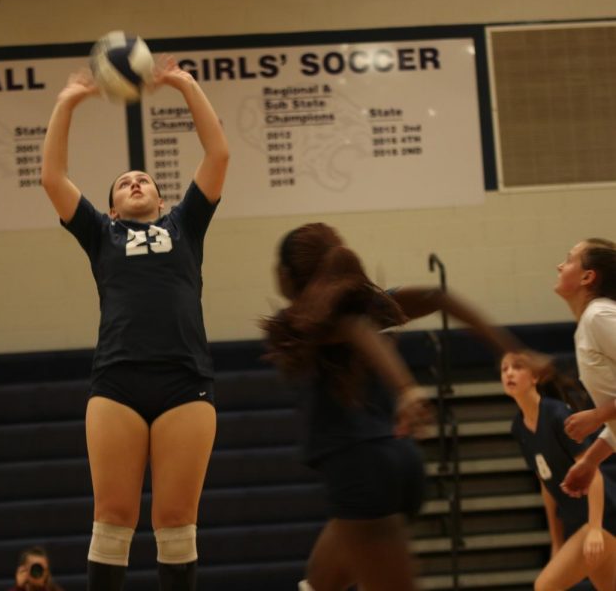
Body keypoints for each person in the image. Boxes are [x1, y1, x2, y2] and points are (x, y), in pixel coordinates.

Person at [40, 55, 229, 591]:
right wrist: (67, 102)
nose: (136, 181)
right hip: (117, 382)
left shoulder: (186, 225)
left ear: (163, 200)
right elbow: (52, 177)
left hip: (184, 381)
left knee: (175, 522)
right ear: (115, 210)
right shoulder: (103, 234)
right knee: (113, 519)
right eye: (125, 182)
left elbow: (218, 152)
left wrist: (186, 84)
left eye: (144, 178)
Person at [261, 223, 533, 591]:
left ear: (284, 276)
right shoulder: (376, 305)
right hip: (396, 463)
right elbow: (439, 297)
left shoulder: (304, 322)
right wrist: (511, 348)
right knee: (317, 584)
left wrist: (406, 389)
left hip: (359, 469)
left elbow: (358, 332)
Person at [501, 351, 616, 589]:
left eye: (517, 367)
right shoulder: (518, 428)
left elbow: (591, 468)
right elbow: (546, 485)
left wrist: (595, 528)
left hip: (602, 516)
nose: (509, 373)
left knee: (545, 586)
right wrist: (556, 542)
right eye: (504, 369)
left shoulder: (556, 414)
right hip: (576, 520)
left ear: (534, 378)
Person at [555, 239, 616, 498]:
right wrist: (591, 460)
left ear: (587, 277)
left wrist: (596, 416)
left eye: (569, 260)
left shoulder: (599, 317)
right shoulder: (592, 320)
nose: (560, 266)